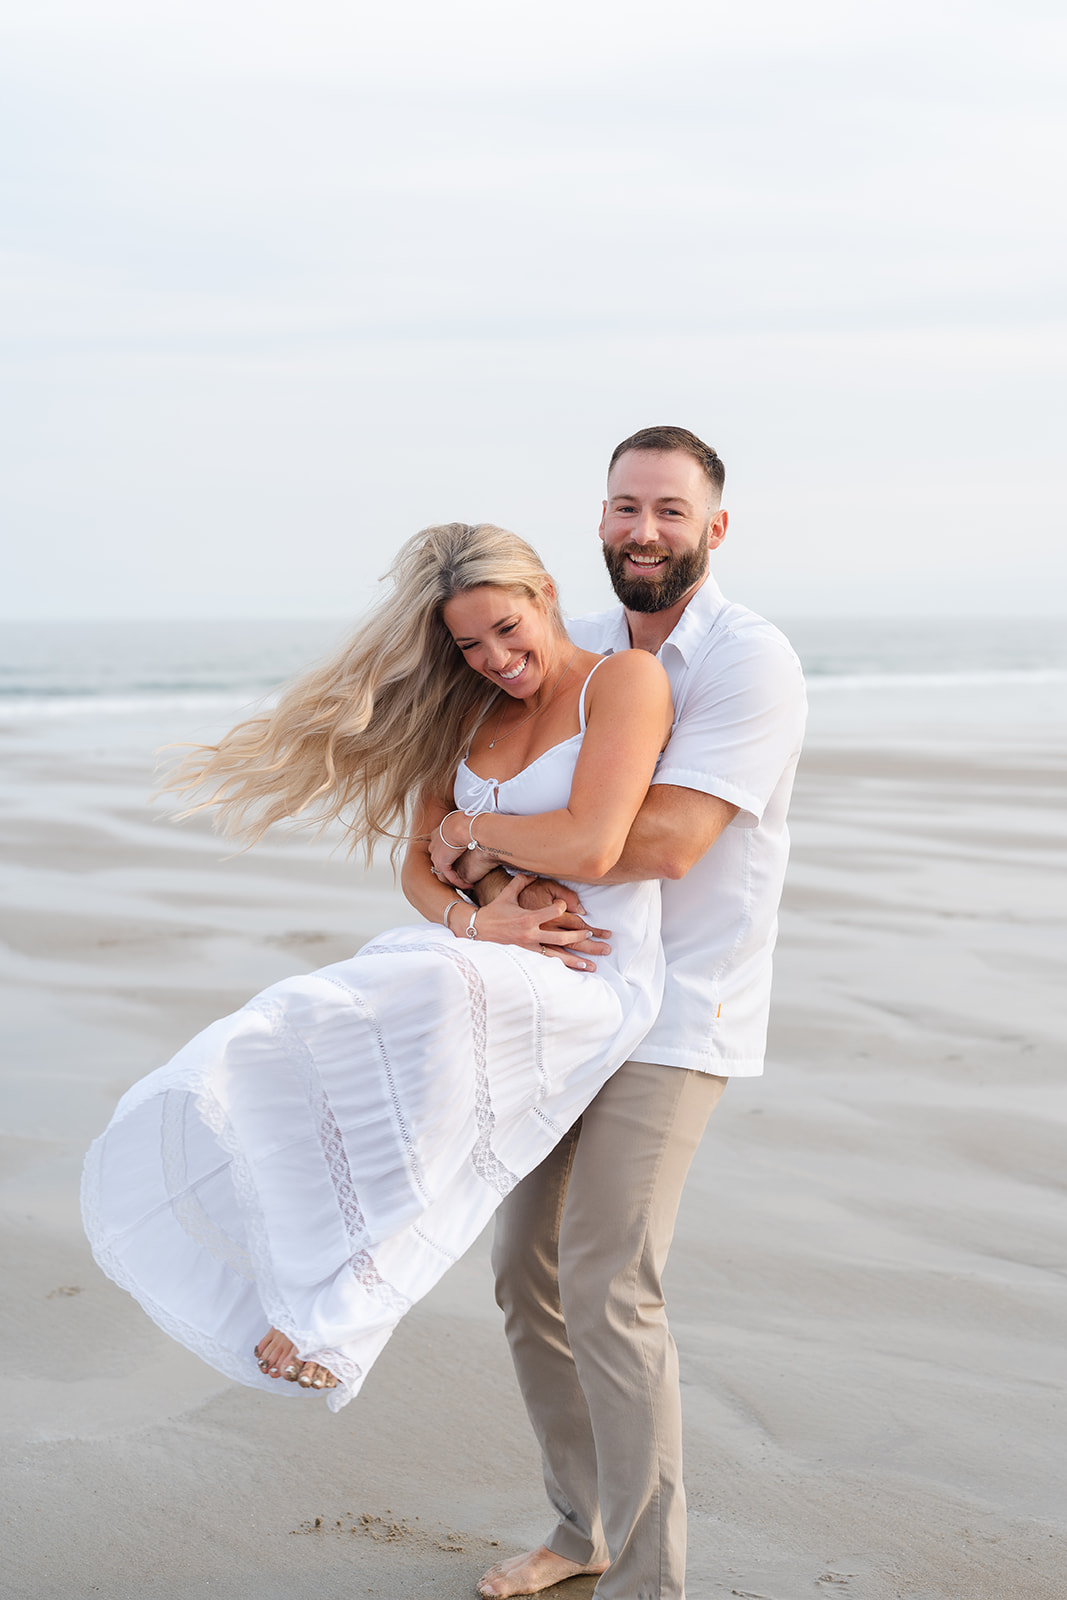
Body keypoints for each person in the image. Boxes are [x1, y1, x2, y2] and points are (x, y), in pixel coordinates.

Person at [82, 521, 674, 1409]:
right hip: (485, 954)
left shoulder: (621, 680)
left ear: (544, 592)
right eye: (469, 644)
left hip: (593, 967)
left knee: (426, 1001)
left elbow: (591, 846)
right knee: (324, 1012)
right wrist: (478, 922)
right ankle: (290, 1244)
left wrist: (470, 835)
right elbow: (414, 869)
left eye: (507, 630)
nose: (495, 659)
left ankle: (346, 1304)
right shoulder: (467, 712)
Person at [448, 428, 807, 1600]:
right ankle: (581, 1525)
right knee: (523, 1273)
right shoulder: (574, 645)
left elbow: (649, 841)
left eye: (665, 508)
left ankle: (656, 1581)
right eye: (619, 507)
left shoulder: (747, 663)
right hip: (559, 1000)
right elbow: (489, 789)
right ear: (594, 523)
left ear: (712, 528)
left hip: (677, 1011)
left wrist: (483, 846)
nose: (639, 529)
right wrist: (490, 888)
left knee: (610, 1281)